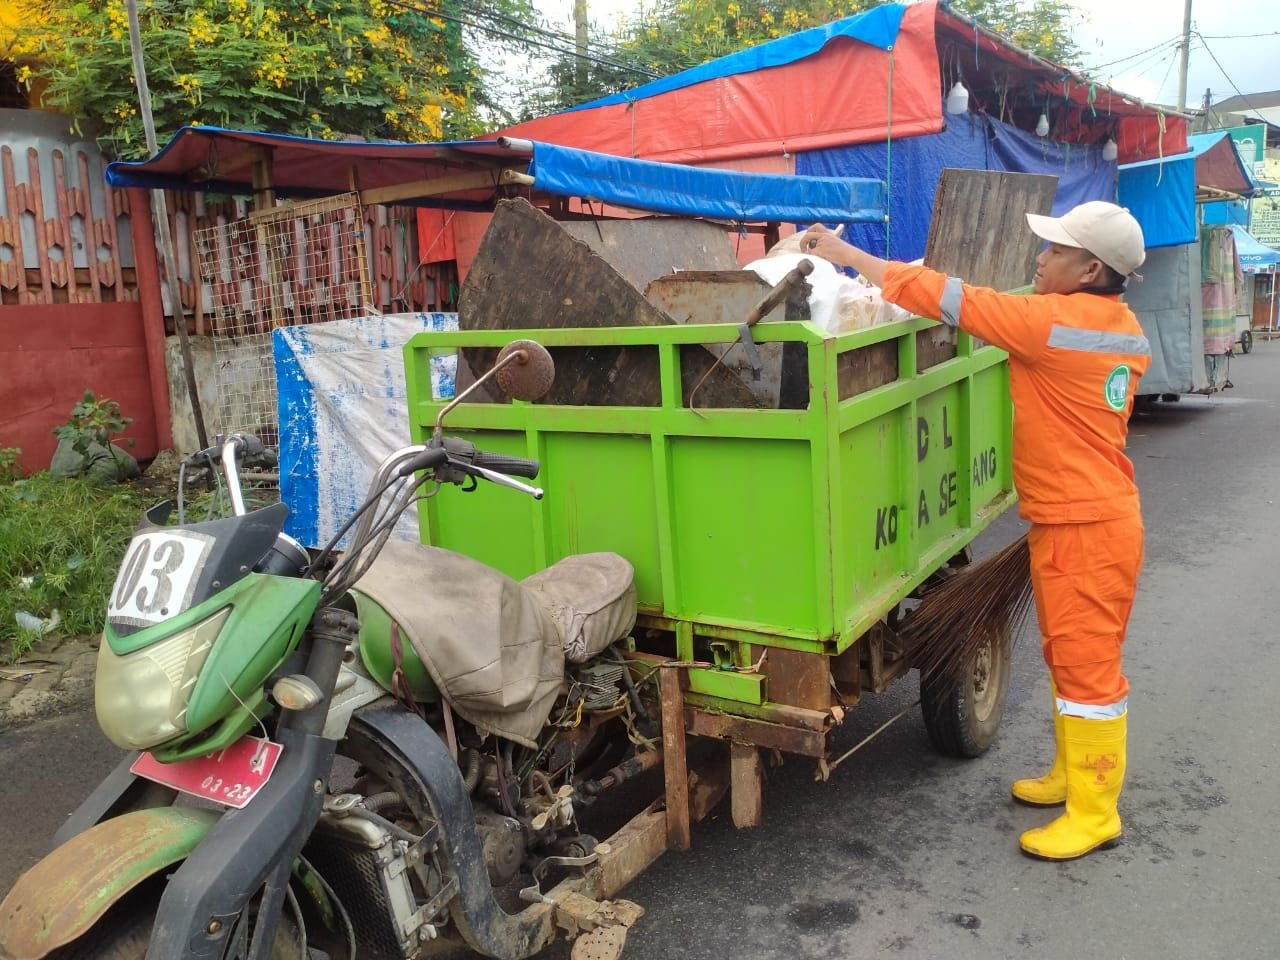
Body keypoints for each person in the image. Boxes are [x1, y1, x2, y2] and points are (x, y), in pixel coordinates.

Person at [802, 201, 1150, 861]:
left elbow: (950, 298)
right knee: (1065, 657)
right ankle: (1071, 776)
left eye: (1054, 251)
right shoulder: (1119, 326)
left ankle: (1095, 812)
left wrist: (847, 258)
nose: (1040, 258)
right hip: (1082, 519)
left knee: (1089, 673)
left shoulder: (1053, 325)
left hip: (1086, 529)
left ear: (1090, 268)